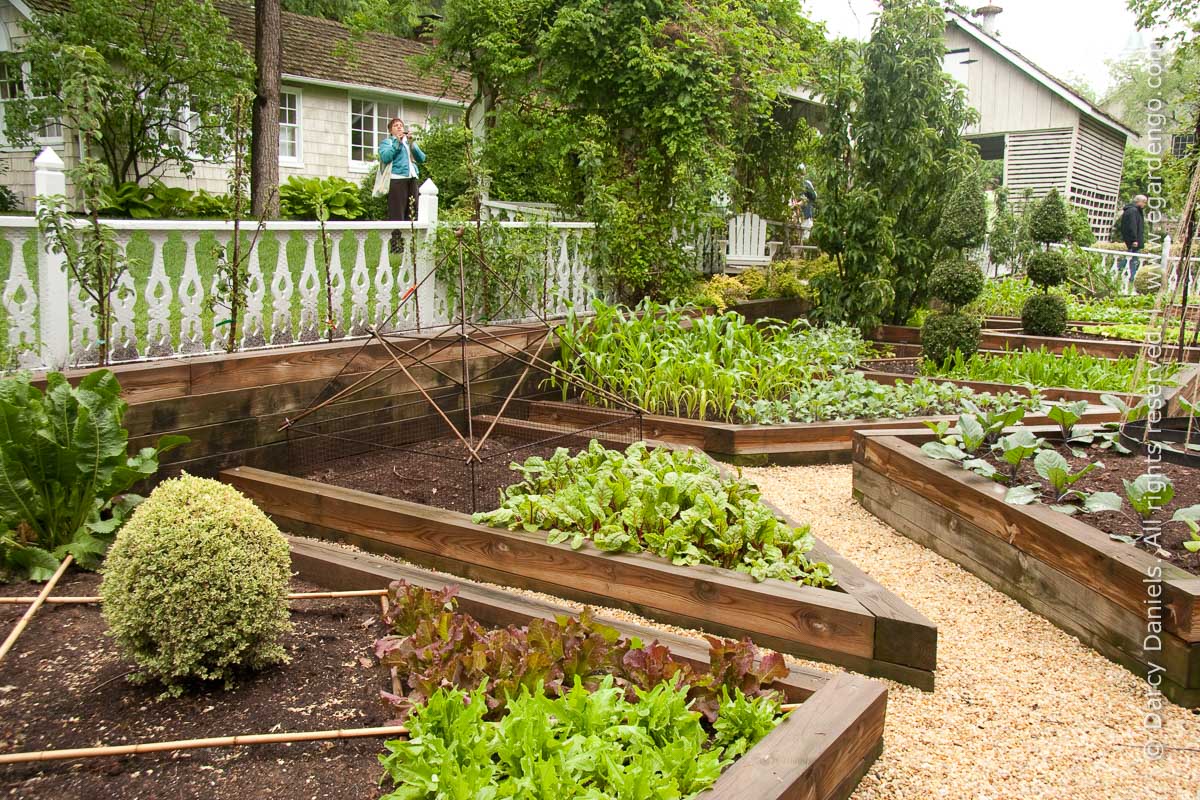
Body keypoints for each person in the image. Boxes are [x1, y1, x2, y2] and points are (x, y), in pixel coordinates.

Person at [379, 118, 426, 222]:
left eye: (401, 125)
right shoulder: (388, 142)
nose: (399, 127)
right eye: (396, 125)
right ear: (391, 131)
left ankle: (410, 237)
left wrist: (412, 143)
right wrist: (397, 143)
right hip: (397, 179)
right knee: (397, 213)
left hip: (412, 179)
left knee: (412, 212)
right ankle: (396, 237)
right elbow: (385, 157)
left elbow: (422, 158)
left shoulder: (408, 142)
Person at [1118, 194, 1148, 285]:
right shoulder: (1133, 211)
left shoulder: (1133, 210)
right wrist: (1134, 239)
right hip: (1134, 240)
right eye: (1144, 202)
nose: (1145, 204)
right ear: (1139, 202)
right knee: (1133, 258)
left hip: (1133, 239)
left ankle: (1122, 271)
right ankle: (1130, 276)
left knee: (1131, 257)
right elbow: (1132, 226)